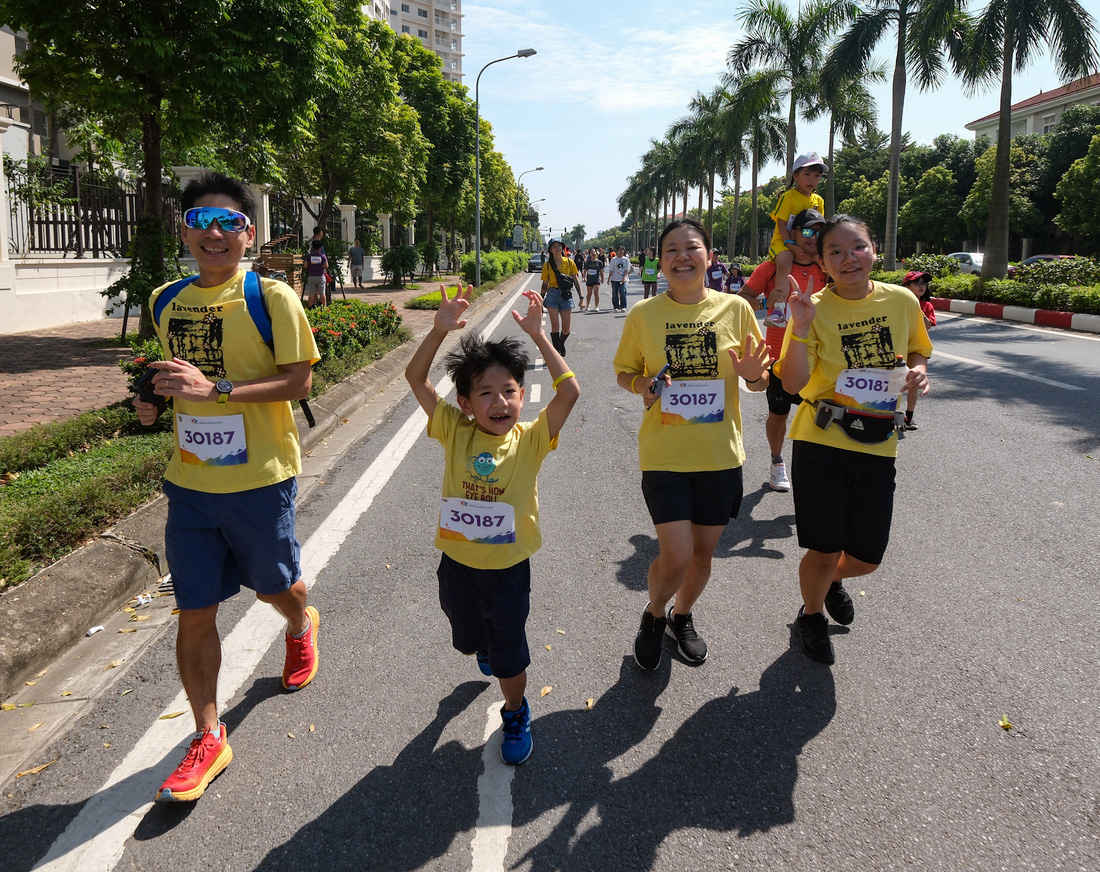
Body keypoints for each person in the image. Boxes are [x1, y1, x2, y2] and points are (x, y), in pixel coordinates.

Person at [133, 172, 321, 802]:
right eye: (200, 221)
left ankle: (300, 621)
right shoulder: (165, 300)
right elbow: (168, 375)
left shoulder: (271, 298)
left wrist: (215, 391)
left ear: (249, 232)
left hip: (260, 478)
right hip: (189, 482)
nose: (213, 235)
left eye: (228, 223)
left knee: (274, 587)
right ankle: (208, 736)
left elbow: (299, 383)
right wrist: (151, 401)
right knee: (194, 610)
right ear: (183, 228)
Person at [404, 283, 579, 765]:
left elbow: (571, 392)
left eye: (509, 391)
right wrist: (438, 332)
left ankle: (517, 710)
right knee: (468, 641)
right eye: (486, 393)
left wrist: (541, 337)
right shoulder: (453, 429)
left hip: (507, 569)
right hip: (457, 565)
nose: (500, 402)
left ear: (522, 396)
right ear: (465, 403)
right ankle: (483, 645)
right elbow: (416, 379)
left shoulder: (531, 438)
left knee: (508, 653)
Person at [613, 218, 770, 670]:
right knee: (676, 553)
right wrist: (641, 384)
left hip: (720, 455)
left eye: (692, 247)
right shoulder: (643, 315)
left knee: (703, 553)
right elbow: (625, 372)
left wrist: (753, 376)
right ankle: (654, 613)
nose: (682, 257)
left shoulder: (736, 310)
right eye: (671, 250)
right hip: (665, 454)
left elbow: (759, 381)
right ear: (659, 261)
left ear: (710, 256)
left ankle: (681, 616)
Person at [780, 214, 932, 665]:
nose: (849, 259)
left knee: (866, 557)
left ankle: (830, 582)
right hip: (821, 438)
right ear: (823, 263)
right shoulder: (812, 307)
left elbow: (919, 346)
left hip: (878, 442)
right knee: (823, 548)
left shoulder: (902, 301)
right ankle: (810, 615)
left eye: (858, 248)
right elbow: (791, 384)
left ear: (874, 251)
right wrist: (802, 328)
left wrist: (920, 369)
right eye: (836, 253)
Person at [739, 208, 829, 492]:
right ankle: (777, 462)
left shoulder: (828, 268)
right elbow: (741, 301)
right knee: (779, 415)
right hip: (779, 357)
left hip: (819, 358)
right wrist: (766, 304)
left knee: (819, 416)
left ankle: (815, 468)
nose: (812, 237)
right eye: (806, 231)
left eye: (818, 231)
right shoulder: (772, 269)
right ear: (792, 233)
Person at [767, 152, 826, 328]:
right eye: (807, 174)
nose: (812, 179)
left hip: (809, 243)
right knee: (785, 261)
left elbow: (820, 228)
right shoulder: (788, 197)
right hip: (783, 241)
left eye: (817, 175)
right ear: (795, 175)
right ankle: (779, 309)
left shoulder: (818, 200)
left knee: (827, 264)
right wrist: (790, 245)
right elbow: (782, 224)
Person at [901, 270, 936, 430]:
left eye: (924, 283)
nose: (922, 286)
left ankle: (909, 417)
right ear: (906, 286)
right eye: (917, 283)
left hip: (916, 351)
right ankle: (889, 415)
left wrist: (917, 308)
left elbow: (928, 325)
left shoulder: (927, 306)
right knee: (894, 380)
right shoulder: (897, 304)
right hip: (899, 347)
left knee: (914, 383)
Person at [540, 238, 581, 356]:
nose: (557, 248)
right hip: (552, 294)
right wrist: (541, 300)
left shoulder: (569, 262)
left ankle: (561, 343)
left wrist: (581, 297)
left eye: (559, 245)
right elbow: (544, 284)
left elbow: (576, 280)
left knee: (566, 329)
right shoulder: (547, 265)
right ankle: (556, 351)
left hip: (566, 294)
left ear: (562, 248)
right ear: (550, 250)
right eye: (554, 246)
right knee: (555, 326)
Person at [608, 245, 634, 312]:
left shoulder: (626, 260)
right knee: (615, 294)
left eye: (621, 250)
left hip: (623, 279)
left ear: (623, 251)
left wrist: (624, 277)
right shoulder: (614, 259)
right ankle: (616, 307)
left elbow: (626, 270)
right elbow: (611, 270)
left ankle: (623, 306)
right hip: (615, 279)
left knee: (623, 292)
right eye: (619, 250)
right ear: (617, 251)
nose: (620, 251)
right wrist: (609, 279)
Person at [305, 239, 327, 309]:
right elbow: (326, 265)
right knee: (322, 293)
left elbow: (305, 266)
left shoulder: (309, 256)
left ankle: (309, 307)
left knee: (311, 293)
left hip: (311, 276)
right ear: (320, 247)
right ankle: (324, 308)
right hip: (321, 276)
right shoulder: (323, 256)